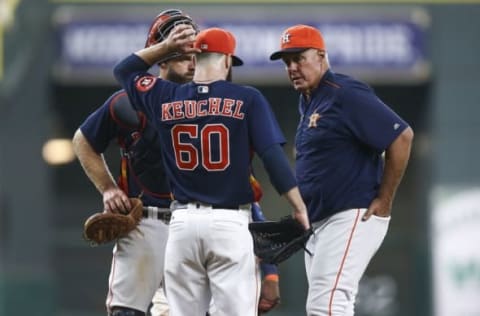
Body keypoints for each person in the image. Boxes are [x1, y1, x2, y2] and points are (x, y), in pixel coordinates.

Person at [113, 25, 310, 316]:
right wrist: (298, 207)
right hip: (229, 224)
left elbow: (124, 70)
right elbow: (272, 158)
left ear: (195, 58)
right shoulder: (247, 98)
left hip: (181, 226)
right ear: (228, 60)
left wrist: (166, 47)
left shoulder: (165, 96)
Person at [269, 24, 414, 315]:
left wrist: (384, 200)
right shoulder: (308, 101)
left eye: (300, 58)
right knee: (331, 305)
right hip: (322, 223)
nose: (292, 67)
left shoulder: (344, 93)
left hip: (351, 214)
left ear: (321, 56)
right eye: (287, 62)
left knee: (327, 306)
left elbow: (402, 136)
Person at [72, 9, 197, 316]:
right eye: (181, 53)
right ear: (162, 57)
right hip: (144, 222)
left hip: (196, 223)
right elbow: (82, 140)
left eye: (195, 53)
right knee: (126, 312)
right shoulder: (127, 102)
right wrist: (108, 189)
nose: (191, 61)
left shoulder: (212, 102)